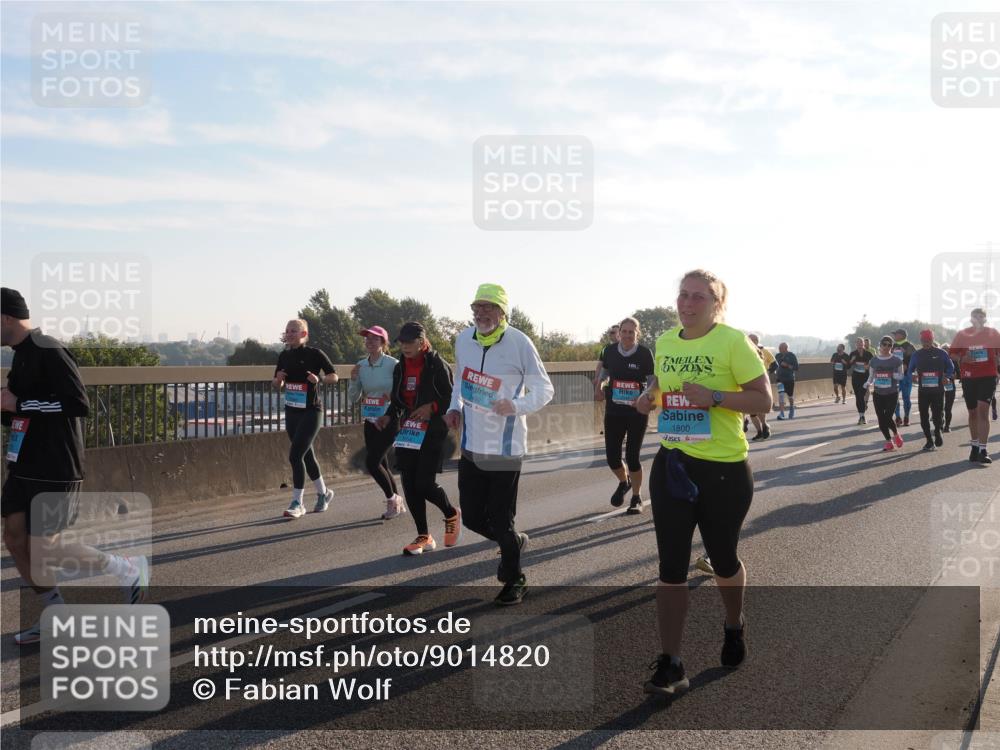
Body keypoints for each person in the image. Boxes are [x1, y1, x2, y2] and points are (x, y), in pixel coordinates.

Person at [635, 270, 770, 696]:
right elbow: (662, 381)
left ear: (717, 305)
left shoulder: (733, 342)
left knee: (723, 559)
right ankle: (671, 663)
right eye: (683, 295)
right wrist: (649, 395)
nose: (688, 303)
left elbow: (763, 399)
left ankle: (733, 623)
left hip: (723, 470)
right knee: (671, 567)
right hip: (673, 464)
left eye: (699, 297)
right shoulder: (666, 341)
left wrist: (714, 397)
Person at [1, 288, 148, 645]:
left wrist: (20, 403)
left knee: (46, 548)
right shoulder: (20, 356)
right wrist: (8, 407)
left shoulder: (49, 349)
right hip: (23, 463)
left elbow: (77, 403)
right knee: (14, 538)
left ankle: (126, 568)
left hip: (55, 465)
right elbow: (21, 410)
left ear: (5, 318)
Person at [445, 284, 554, 606]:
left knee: (501, 520)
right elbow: (459, 381)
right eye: (477, 307)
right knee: (472, 518)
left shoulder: (519, 342)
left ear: (502, 312)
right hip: (471, 445)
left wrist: (516, 405)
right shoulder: (463, 339)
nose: (481, 313)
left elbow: (545, 389)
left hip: (505, 449)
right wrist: (454, 408)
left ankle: (515, 578)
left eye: (489, 307)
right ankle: (513, 543)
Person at [378, 322, 460, 555]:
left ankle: (451, 513)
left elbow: (452, 396)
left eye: (409, 342)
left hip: (433, 429)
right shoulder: (400, 367)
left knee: (424, 483)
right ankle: (423, 536)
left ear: (422, 342)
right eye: (401, 342)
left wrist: (430, 407)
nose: (404, 346)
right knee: (409, 483)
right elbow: (398, 400)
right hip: (409, 429)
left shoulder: (436, 364)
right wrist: (388, 415)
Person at [273, 319, 337, 518]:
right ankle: (323, 493)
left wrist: (320, 379)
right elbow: (276, 384)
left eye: (294, 331)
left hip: (311, 411)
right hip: (292, 411)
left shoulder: (314, 354)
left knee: (295, 456)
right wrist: (279, 380)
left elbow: (334, 376)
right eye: (287, 331)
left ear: (304, 334)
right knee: (306, 456)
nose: (289, 334)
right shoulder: (284, 355)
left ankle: (297, 503)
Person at [594, 317, 655, 514]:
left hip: (637, 412)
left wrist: (648, 397)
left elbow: (652, 381)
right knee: (612, 457)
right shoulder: (610, 351)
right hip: (614, 411)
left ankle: (636, 497)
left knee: (632, 456)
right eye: (624, 331)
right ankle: (624, 481)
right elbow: (605, 373)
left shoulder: (644, 353)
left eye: (631, 332)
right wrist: (600, 386)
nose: (627, 335)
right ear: (619, 333)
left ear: (637, 333)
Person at [348, 326, 405, 520]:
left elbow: (404, 391)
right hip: (370, 419)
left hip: (390, 418)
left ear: (383, 343)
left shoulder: (393, 364)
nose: (370, 342)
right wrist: (353, 379)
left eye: (375, 339)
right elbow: (354, 397)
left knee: (371, 463)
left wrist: (393, 396)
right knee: (381, 463)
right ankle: (397, 502)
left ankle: (392, 499)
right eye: (367, 339)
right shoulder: (361, 365)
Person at [949, 308, 1000, 464]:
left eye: (981, 316)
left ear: (985, 319)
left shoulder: (993, 333)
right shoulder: (962, 334)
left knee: (982, 412)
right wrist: (963, 359)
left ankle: (983, 450)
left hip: (988, 376)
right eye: (975, 316)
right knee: (972, 413)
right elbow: (952, 354)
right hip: (969, 377)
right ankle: (974, 446)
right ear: (971, 319)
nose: (978, 318)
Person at [907, 330, 954, 451]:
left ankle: (938, 431)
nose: (926, 343)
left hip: (938, 391)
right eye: (923, 341)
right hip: (923, 391)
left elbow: (950, 367)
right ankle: (929, 440)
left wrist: (947, 376)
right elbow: (910, 370)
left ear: (932, 340)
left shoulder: (941, 353)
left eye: (928, 341)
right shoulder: (917, 354)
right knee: (923, 417)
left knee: (937, 416)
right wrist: (912, 375)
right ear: (920, 341)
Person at [865, 336, 905, 452]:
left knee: (887, 417)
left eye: (889, 345)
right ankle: (889, 442)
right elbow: (871, 376)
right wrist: (867, 383)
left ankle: (896, 434)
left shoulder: (897, 360)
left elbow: (901, 376)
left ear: (892, 347)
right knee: (881, 419)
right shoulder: (874, 360)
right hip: (878, 393)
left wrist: (894, 375)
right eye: (884, 344)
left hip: (892, 393)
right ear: (880, 345)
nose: (886, 347)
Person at [747, 333, 774, 441]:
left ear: (757, 341)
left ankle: (764, 425)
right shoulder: (744, 350)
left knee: (757, 406)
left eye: (751, 340)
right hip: (747, 380)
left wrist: (767, 374)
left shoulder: (763, 351)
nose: (749, 341)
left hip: (759, 382)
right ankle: (760, 431)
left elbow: (775, 364)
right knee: (752, 411)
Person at [890, 328, 917, 426]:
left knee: (906, 398)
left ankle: (906, 417)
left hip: (906, 376)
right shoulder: (892, 346)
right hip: (895, 376)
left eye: (896, 334)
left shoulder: (909, 346)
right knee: (894, 397)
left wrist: (908, 366)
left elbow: (915, 360)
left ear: (902, 335)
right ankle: (897, 417)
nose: (894, 336)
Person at [848, 337, 874, 424]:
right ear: (856, 344)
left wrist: (868, 366)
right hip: (856, 378)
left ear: (864, 344)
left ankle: (862, 414)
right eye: (858, 342)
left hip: (865, 378)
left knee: (861, 395)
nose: (860, 344)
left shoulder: (868, 354)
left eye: (861, 342)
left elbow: (874, 364)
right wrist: (851, 360)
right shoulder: (853, 353)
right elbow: (847, 366)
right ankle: (861, 416)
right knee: (858, 397)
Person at [770, 343, 799, 419]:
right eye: (779, 348)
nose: (779, 349)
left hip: (789, 379)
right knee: (781, 395)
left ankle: (791, 408)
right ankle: (782, 413)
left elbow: (796, 367)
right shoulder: (777, 356)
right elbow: (773, 365)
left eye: (781, 348)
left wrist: (787, 365)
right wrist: (770, 369)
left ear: (786, 348)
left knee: (790, 396)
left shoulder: (791, 355)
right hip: (780, 379)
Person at [592, 324, 621, 391]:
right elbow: (600, 364)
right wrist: (596, 378)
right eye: (610, 332)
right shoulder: (606, 349)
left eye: (613, 332)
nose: (610, 334)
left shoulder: (627, 347)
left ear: (620, 333)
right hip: (609, 382)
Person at [941, 344, 957, 432]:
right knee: (939, 407)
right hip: (939, 386)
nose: (945, 351)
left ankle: (947, 426)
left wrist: (951, 376)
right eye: (943, 349)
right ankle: (940, 423)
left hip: (950, 386)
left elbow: (958, 375)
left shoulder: (953, 361)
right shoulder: (937, 361)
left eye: (947, 349)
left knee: (948, 408)